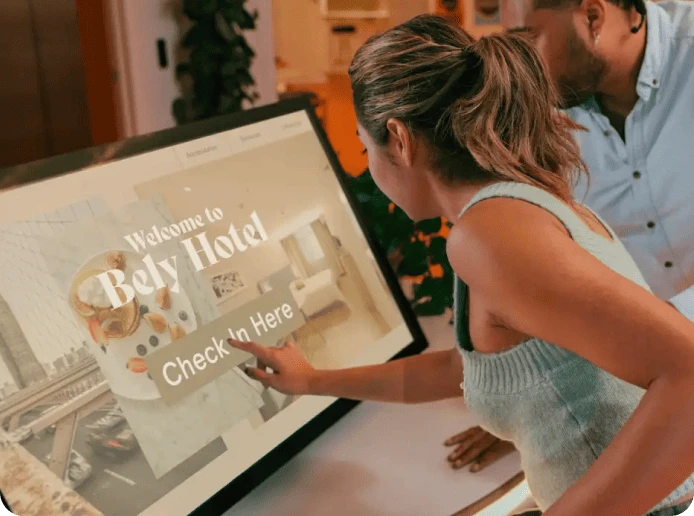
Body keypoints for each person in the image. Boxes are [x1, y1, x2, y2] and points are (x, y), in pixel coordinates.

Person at [229, 15, 694, 516]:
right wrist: (313, 380)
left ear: (400, 140)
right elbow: (465, 367)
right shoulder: (514, 204)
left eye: (367, 149)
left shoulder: (489, 235)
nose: (369, 167)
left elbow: (688, 374)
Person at [443, 0, 694, 498]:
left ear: (594, 16)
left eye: (532, 36)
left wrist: (656, 340)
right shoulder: (551, 110)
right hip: (657, 384)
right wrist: (539, 408)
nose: (527, 64)